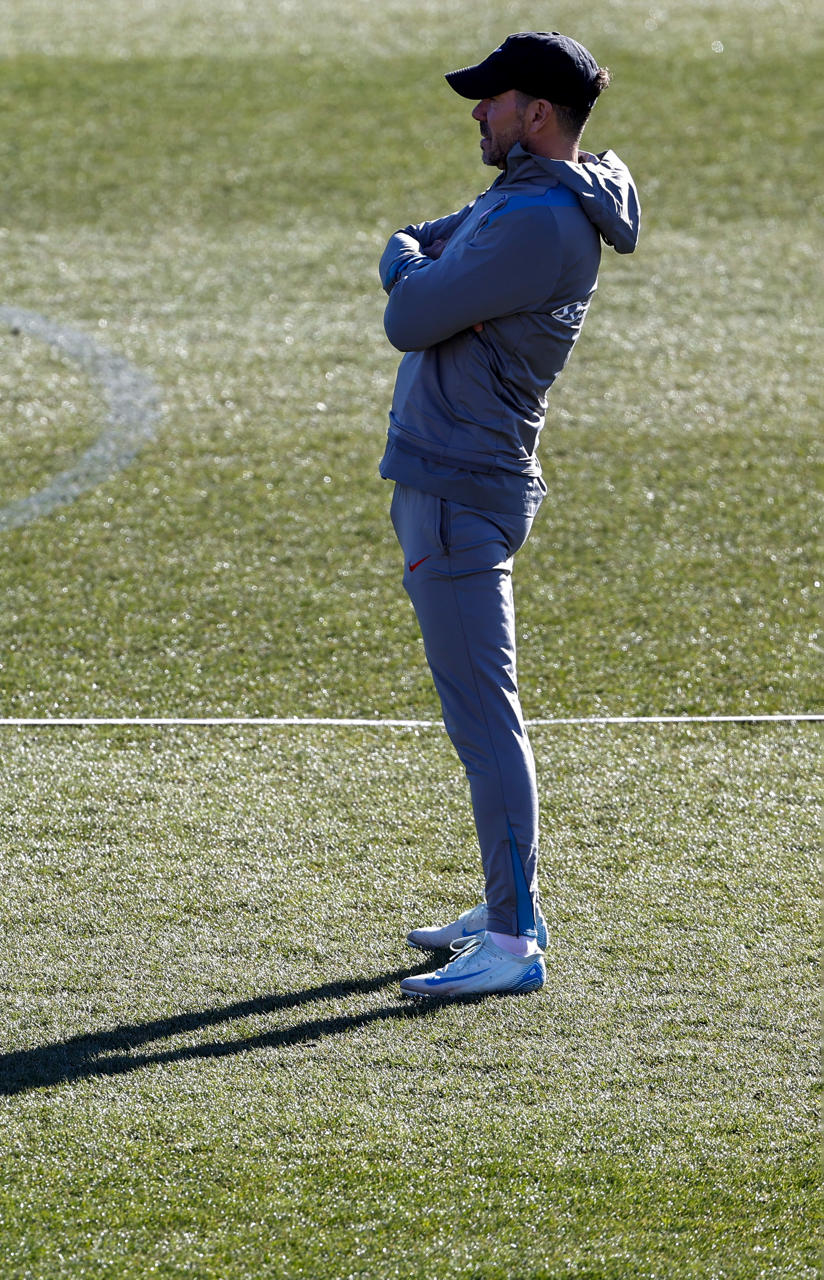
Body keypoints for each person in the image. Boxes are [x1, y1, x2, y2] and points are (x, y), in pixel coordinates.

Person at [377, 32, 641, 998]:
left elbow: (407, 308)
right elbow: (428, 246)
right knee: (482, 716)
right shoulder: (529, 198)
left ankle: (515, 940)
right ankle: (500, 908)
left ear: (539, 116)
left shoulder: (534, 223)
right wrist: (428, 271)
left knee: (485, 720)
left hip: (457, 482)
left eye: (494, 99)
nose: (475, 112)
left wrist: (419, 277)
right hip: (462, 473)